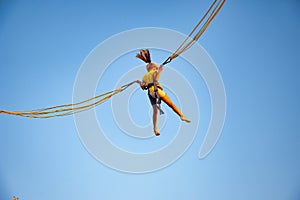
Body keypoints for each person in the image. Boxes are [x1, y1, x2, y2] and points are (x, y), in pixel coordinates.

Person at [136, 49, 191, 136]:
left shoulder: (144, 77)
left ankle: (155, 129)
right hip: (157, 90)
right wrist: (160, 71)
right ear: (154, 68)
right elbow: (156, 80)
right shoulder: (155, 72)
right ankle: (181, 115)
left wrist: (139, 83)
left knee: (155, 111)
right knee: (171, 104)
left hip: (150, 93)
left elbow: (143, 87)